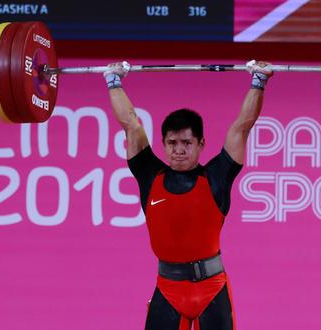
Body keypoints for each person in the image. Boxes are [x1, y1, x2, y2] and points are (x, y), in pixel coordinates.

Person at [104, 60, 273, 330]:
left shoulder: (217, 176)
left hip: (212, 290)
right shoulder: (150, 175)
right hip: (168, 290)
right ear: (163, 144)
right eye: (172, 143)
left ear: (201, 144)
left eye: (186, 143)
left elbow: (242, 126)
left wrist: (259, 82)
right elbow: (131, 125)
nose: (178, 150)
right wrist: (113, 82)